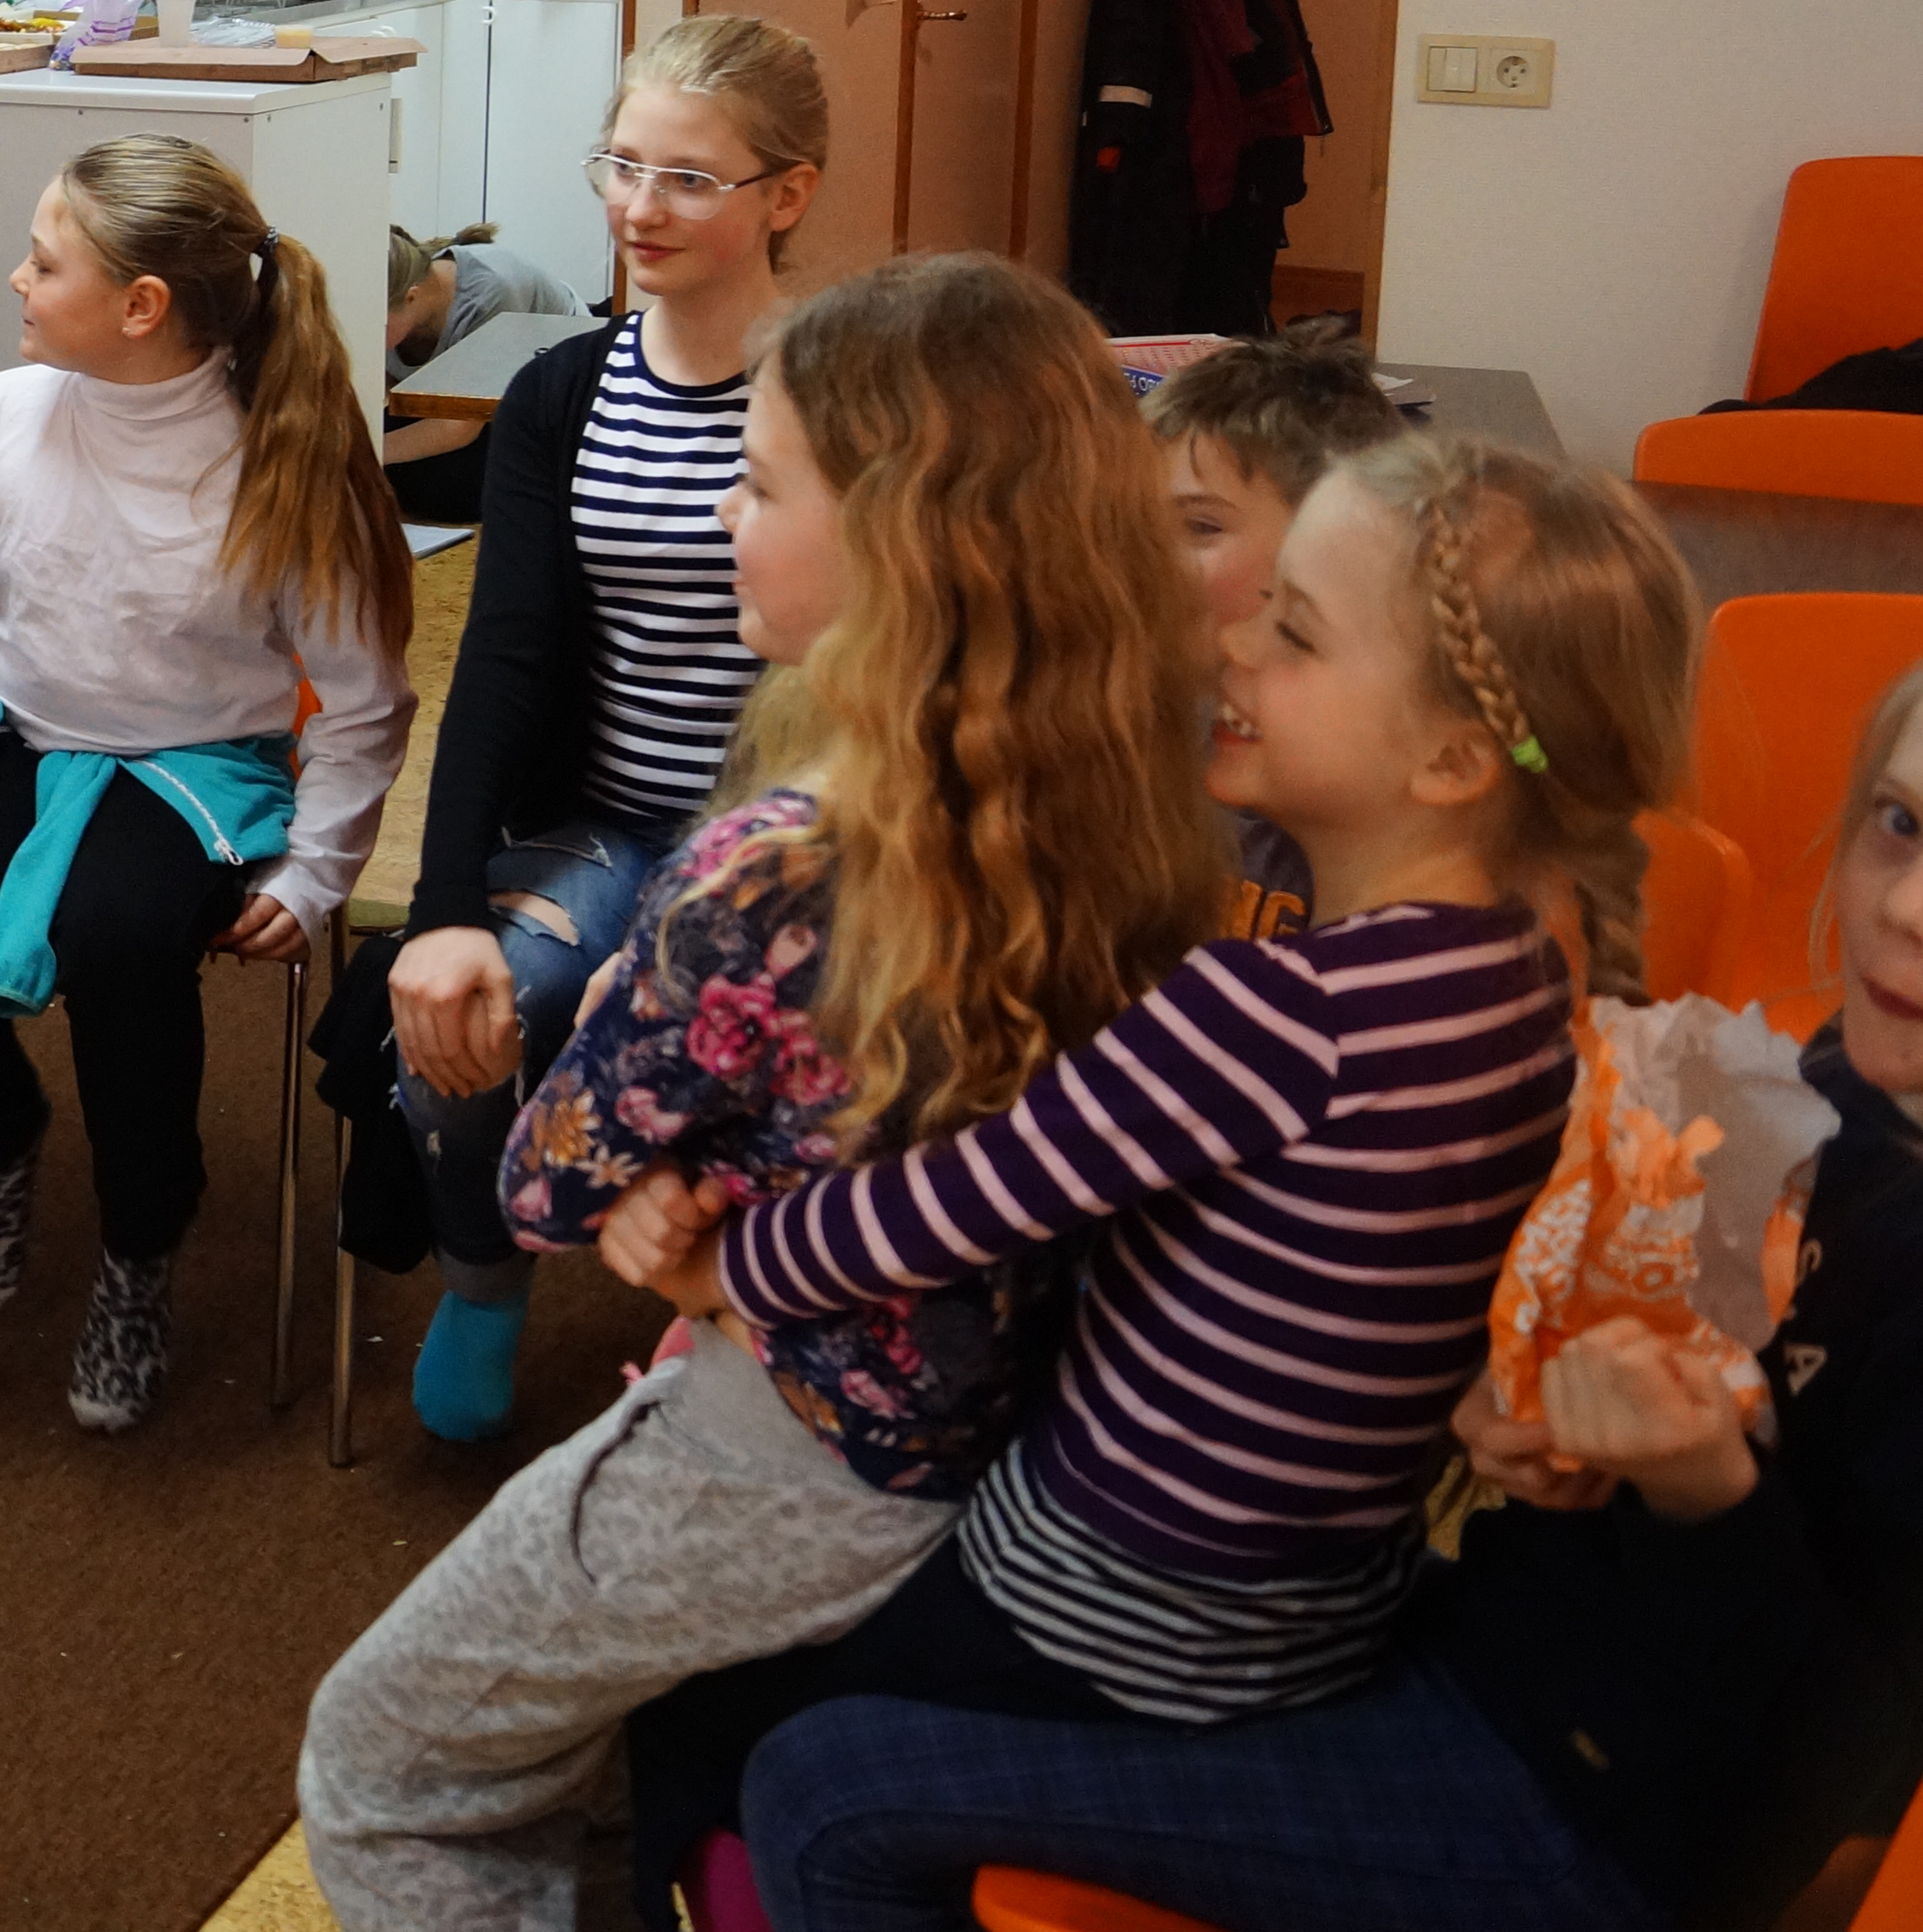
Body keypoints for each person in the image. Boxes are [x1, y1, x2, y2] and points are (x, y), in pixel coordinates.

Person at [611, 435, 1691, 1876]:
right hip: (1310, 1604)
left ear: (1450, 759)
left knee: (687, 1699)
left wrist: (718, 1264)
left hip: (1105, 1604)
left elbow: (947, 1207)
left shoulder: (1285, 1012)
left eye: (1295, 632)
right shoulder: (1525, 970)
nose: (1233, 643)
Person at [294, 253, 1217, 1932]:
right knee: (578, 1763)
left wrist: (634, 1094)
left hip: (793, 1438)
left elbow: (548, 1181)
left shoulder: (771, 867)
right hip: (984, 1425)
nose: (724, 513)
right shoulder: (1127, 795)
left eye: (762, 483)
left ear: (903, 543)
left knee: (382, 1765)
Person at [731, 659, 1923, 1932]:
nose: (1906, 906)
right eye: (1899, 822)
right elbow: (1653, 1396)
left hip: (1595, 1822)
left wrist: (1701, 1489)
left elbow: (1844, 1765)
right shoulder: (1829, 1086)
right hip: (1493, 1654)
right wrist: (1538, 1414)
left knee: (825, 1797)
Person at [0, 137, 413, 1434]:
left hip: (195, 770)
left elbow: (363, 700)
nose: (16, 279)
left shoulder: (277, 450)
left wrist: (317, 873)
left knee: (119, 938)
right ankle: (0, 1131)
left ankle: (140, 1242)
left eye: (45, 261)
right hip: (14, 735)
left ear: (142, 307)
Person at [375, 13, 828, 1443]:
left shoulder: (840, 395)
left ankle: (727, 1311)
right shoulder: (565, 392)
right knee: (454, 1012)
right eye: (622, 166)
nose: (640, 207)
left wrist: (711, 924)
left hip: (796, 844)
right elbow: (502, 661)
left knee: (757, 1052)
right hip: (610, 825)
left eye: (689, 178)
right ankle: (483, 1279)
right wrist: (443, 910)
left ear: (788, 195)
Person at [1141, 330, 1408, 941]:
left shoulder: (1373, 779)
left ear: (1329, 544)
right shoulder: (1141, 731)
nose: (1141, 555)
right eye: (1134, 522)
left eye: (1198, 527)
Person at [376, 220, 578, 528]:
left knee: (446, 489)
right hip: (460, 400)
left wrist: (363, 454)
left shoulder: (492, 293)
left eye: (376, 323)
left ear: (411, 298)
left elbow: (459, 426)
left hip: (549, 405)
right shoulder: (397, 310)